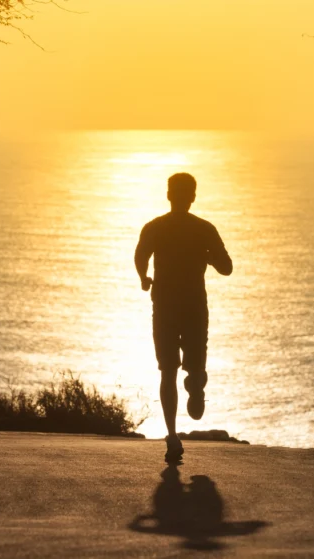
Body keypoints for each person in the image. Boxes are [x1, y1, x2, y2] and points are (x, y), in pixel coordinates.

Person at [135, 173, 232, 462]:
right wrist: (208, 256)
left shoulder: (156, 227)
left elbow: (140, 255)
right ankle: (178, 426)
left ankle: (177, 427)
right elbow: (227, 268)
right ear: (192, 196)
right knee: (179, 369)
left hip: (169, 307)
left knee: (173, 371)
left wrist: (144, 277)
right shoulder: (204, 229)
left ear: (169, 195)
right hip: (189, 308)